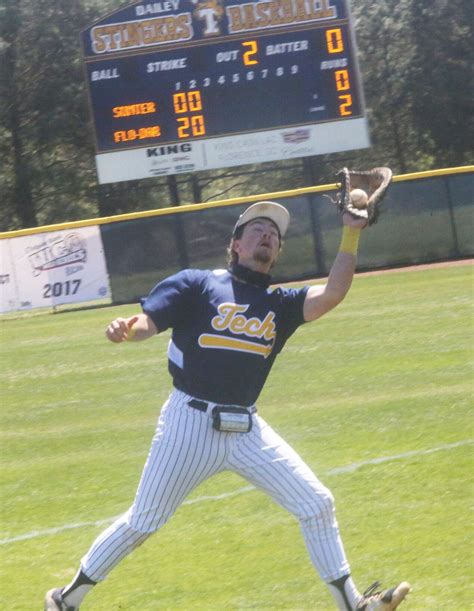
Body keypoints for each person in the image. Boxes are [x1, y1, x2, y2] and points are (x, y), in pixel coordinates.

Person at [45, 201, 410, 610]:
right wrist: (126, 331)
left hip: (249, 430)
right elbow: (148, 322)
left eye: (274, 234)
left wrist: (351, 232)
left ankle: (353, 605)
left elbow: (333, 293)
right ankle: (65, 601)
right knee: (145, 521)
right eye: (257, 229)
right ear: (235, 244)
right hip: (189, 424)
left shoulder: (279, 304)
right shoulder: (197, 284)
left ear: (277, 251)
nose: (268, 235)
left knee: (316, 503)